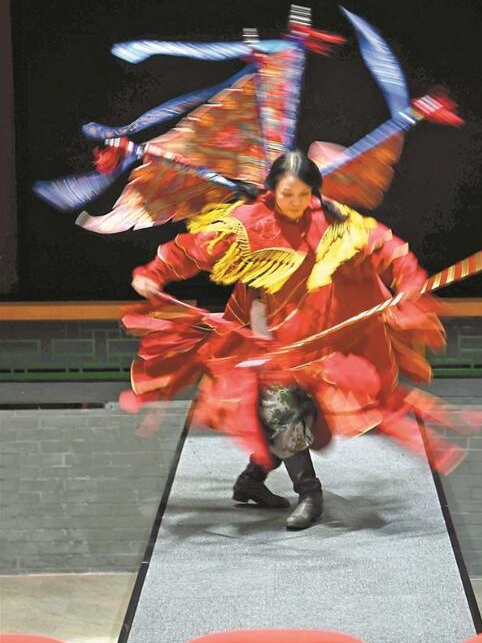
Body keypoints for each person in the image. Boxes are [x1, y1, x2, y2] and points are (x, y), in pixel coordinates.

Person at [130, 150, 444, 530]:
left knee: (304, 412)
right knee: (281, 411)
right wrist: (154, 272)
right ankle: (310, 494)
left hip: (320, 341)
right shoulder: (249, 223)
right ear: (272, 191)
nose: (296, 202)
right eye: (287, 194)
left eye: (303, 194)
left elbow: (388, 249)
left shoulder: (336, 221)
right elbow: (194, 249)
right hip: (266, 338)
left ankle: (252, 479)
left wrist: (408, 283)